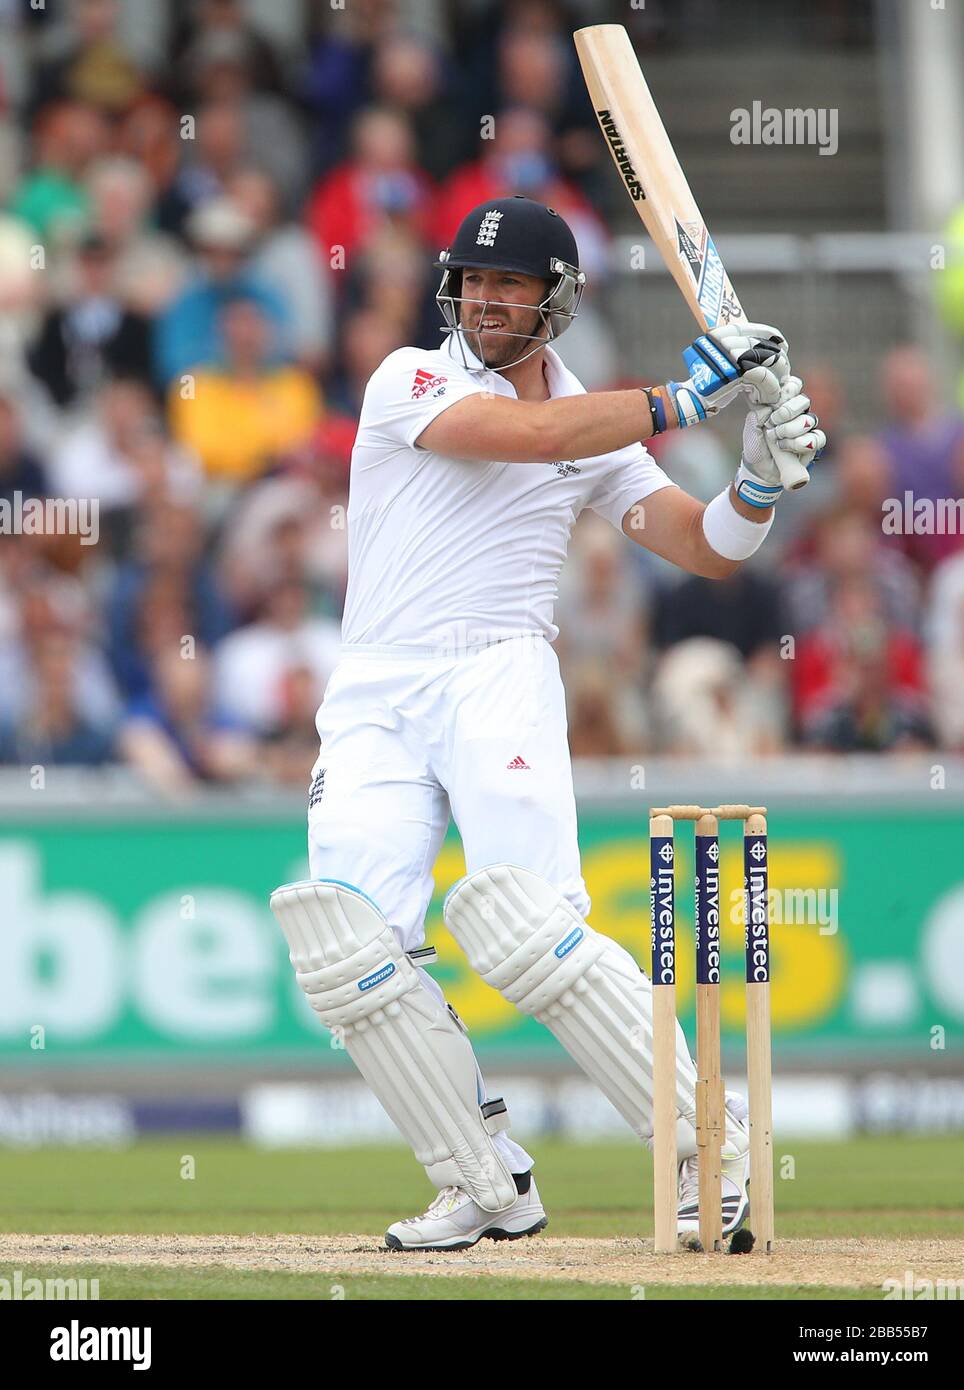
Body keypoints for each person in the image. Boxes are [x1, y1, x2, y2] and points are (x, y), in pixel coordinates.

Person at [269, 196, 824, 1252]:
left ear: (556, 299)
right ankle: (482, 1180)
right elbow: (523, 436)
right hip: (377, 686)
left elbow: (705, 548)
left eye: (510, 283)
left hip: (499, 674)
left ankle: (714, 1146)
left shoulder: (597, 426)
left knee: (528, 928)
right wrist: (683, 394)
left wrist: (755, 482)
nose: (485, 299)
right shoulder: (410, 380)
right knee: (346, 945)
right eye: (474, 281)